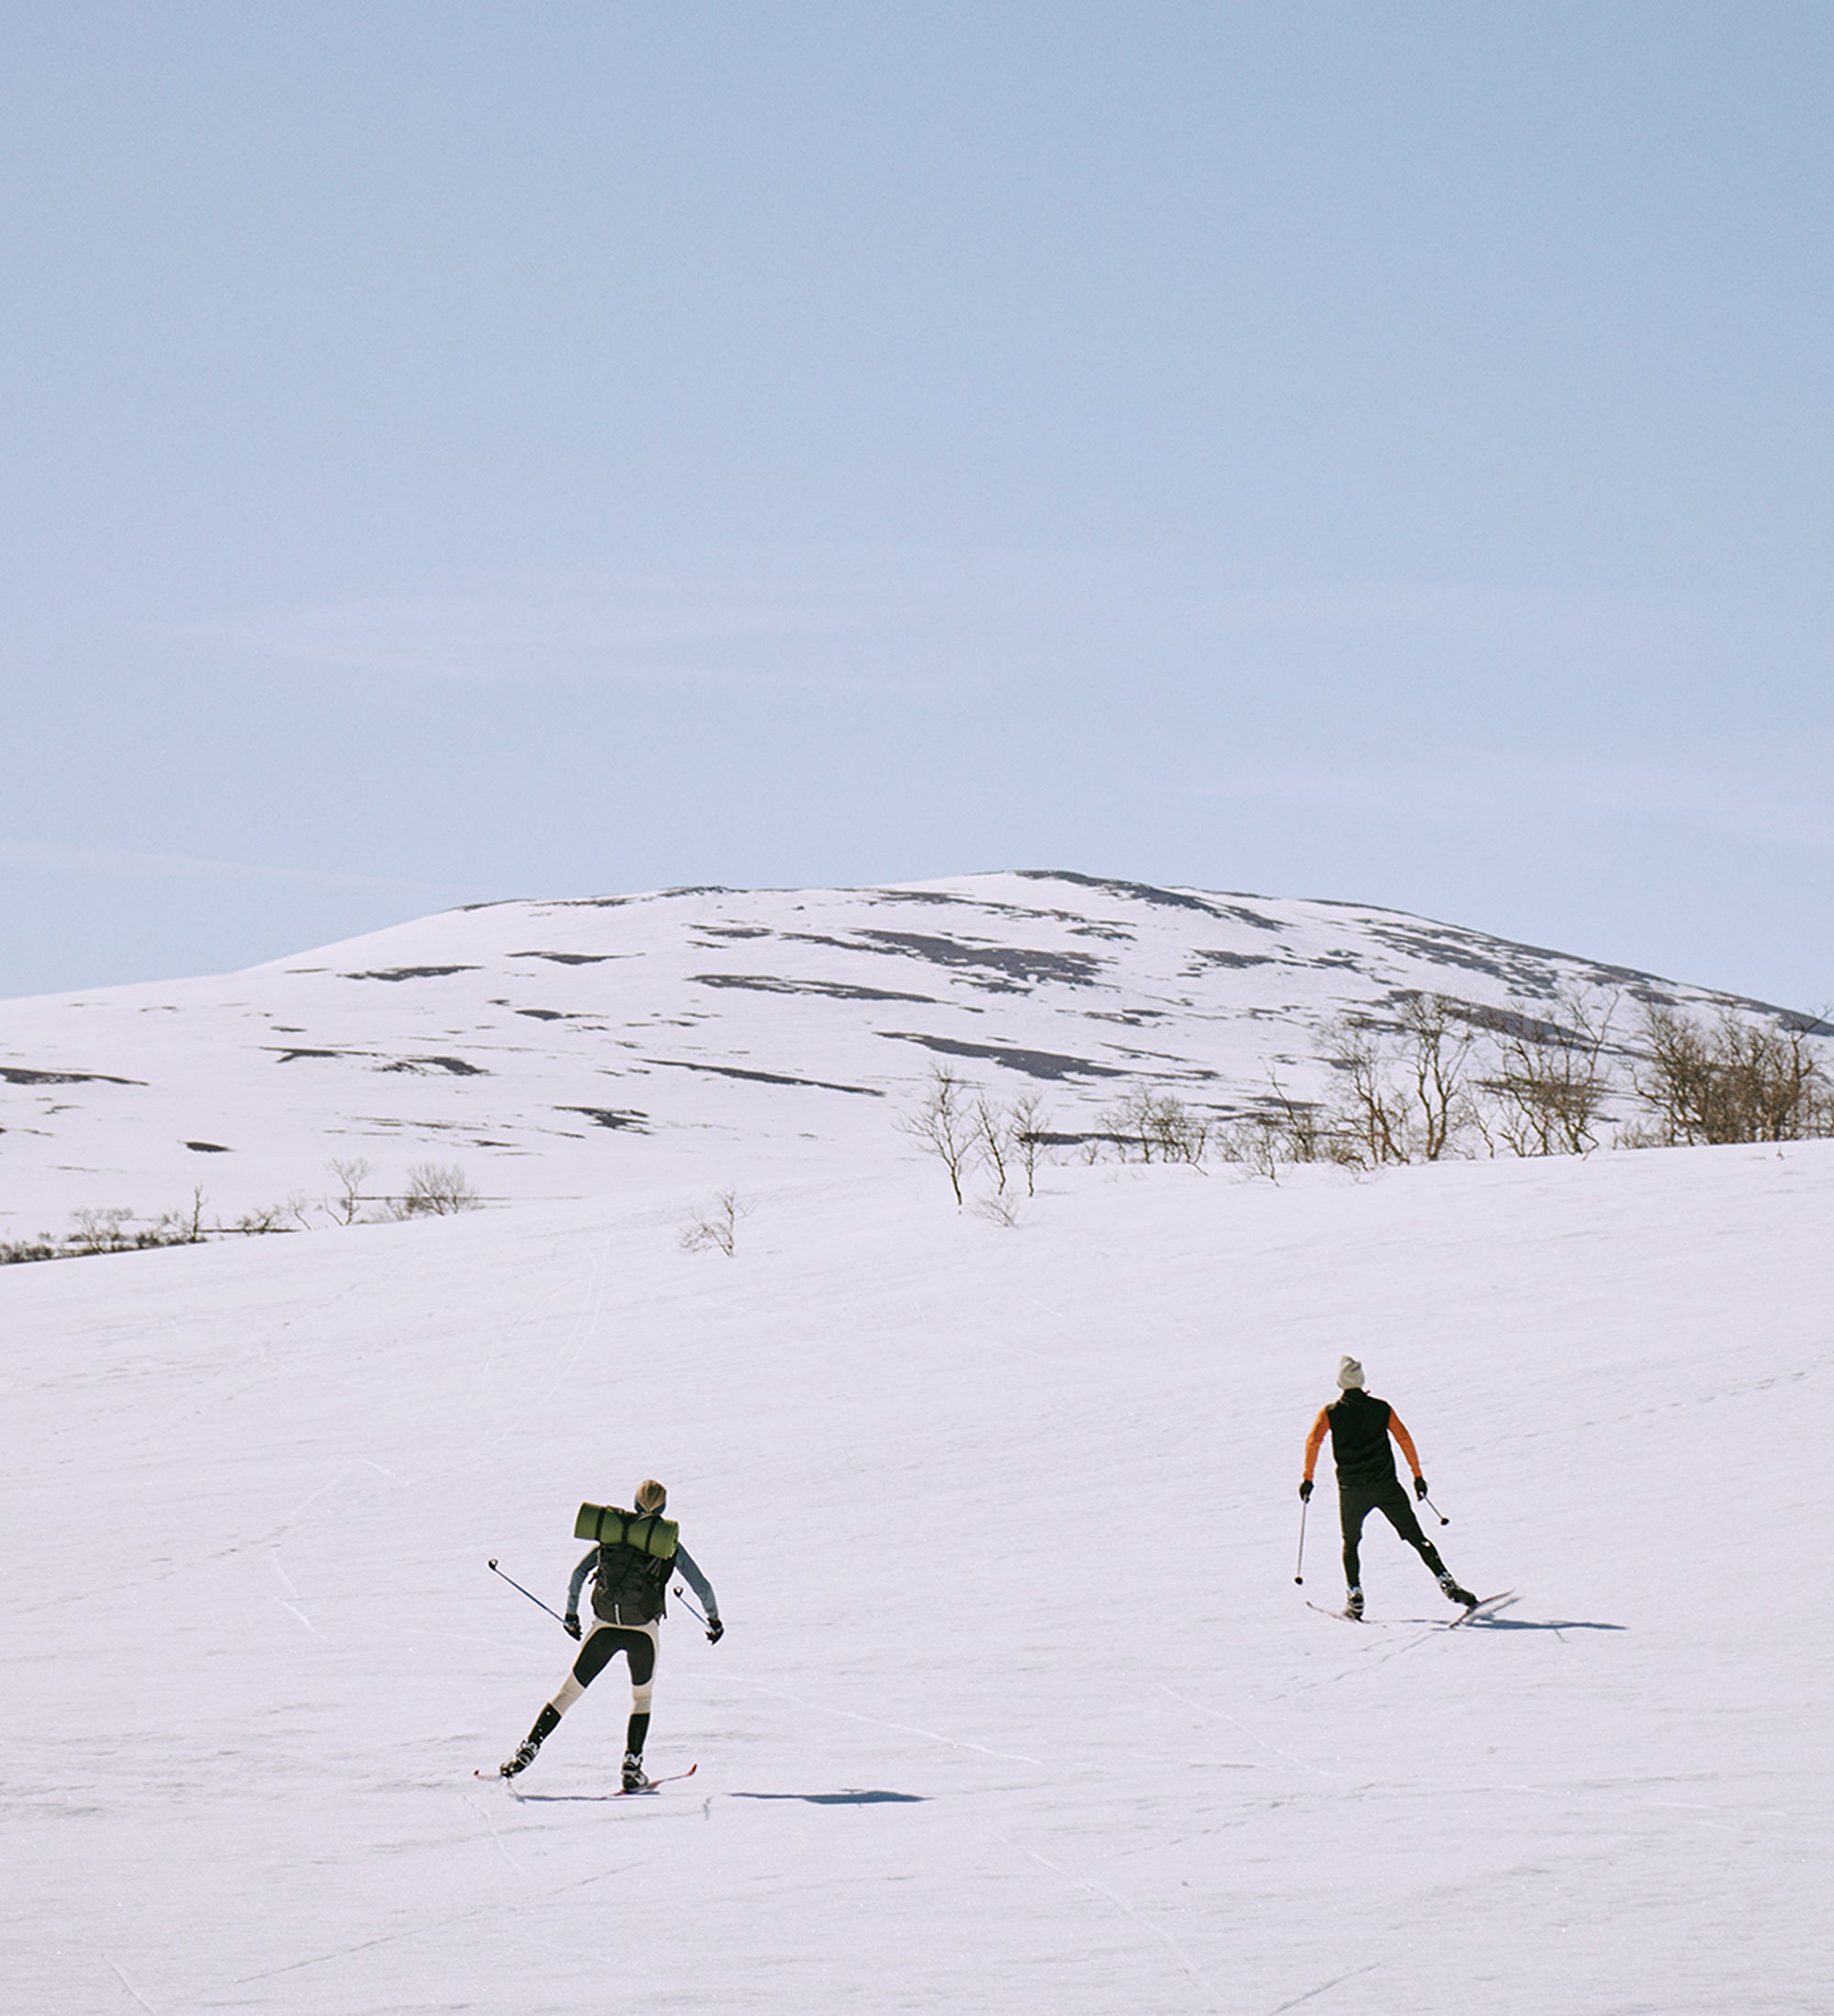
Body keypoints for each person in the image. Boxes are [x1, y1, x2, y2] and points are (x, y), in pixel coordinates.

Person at [498, 1478, 722, 1790]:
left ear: (634, 1503)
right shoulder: (667, 1543)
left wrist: (571, 1615)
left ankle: (528, 1748)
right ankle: (632, 1764)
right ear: (663, 1509)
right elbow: (702, 1586)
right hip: (642, 1631)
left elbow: (578, 1574)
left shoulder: (612, 1536)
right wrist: (713, 1621)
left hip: (603, 1627)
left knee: (567, 1694)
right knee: (641, 1698)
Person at [1300, 1358, 1475, 1618]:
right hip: (1386, 1486)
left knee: (1351, 1542)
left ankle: (1355, 1596)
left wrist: (1308, 1479)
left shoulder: (1330, 1413)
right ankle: (1446, 1582)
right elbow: (1403, 1438)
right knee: (1417, 1537)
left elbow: (1314, 1441)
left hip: (1352, 1490)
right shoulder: (1381, 1409)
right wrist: (1417, 1476)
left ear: (1340, 1382)